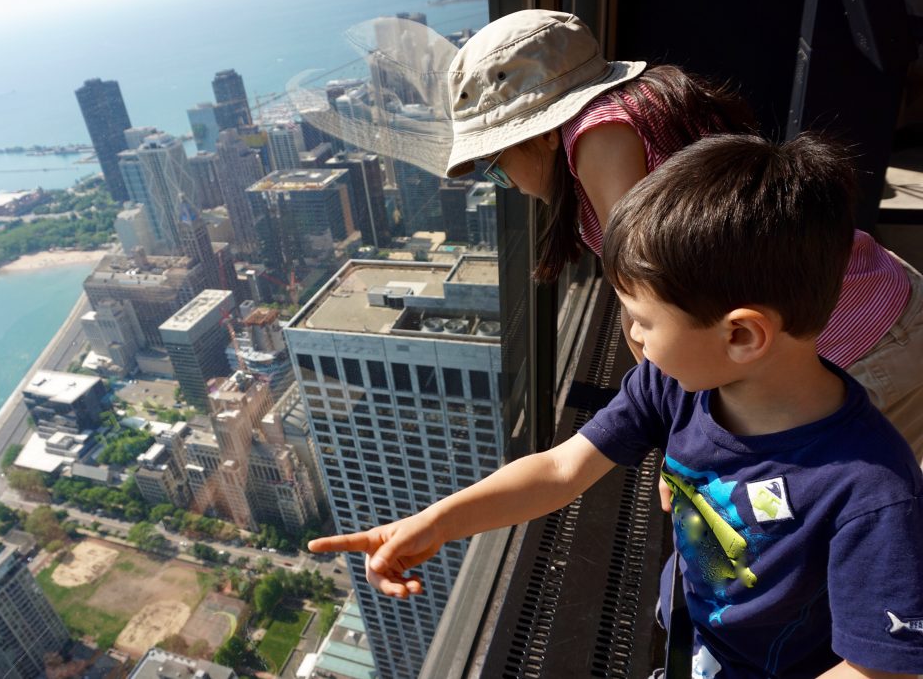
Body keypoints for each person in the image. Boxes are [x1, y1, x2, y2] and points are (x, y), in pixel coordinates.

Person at [310, 134, 923, 678]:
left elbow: (881, 669)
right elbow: (558, 470)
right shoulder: (678, 387)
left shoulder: (871, 492)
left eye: (642, 319)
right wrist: (439, 522)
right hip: (695, 640)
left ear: (740, 336)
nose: (629, 333)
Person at [444, 9, 923, 465]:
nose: (511, 186)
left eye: (497, 169)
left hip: (854, 347)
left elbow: (646, 295)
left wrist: (680, 437)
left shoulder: (597, 135)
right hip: (876, 298)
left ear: (544, 132)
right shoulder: (649, 98)